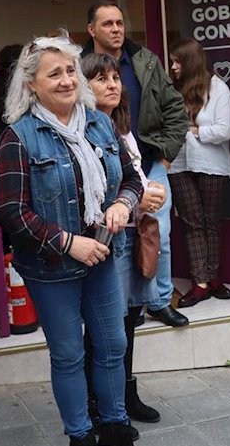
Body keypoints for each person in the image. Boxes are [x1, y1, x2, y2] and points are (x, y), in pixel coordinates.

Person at [0, 34, 143, 446]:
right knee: (68, 355)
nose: (66, 80)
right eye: (53, 73)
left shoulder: (99, 122)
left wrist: (122, 205)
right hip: (51, 268)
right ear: (31, 84)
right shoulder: (18, 137)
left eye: (70, 71)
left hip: (102, 256)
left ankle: (114, 424)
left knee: (112, 344)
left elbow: (130, 180)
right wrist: (66, 242)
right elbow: (12, 212)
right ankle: (80, 433)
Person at [83, 0, 189, 328]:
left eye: (119, 23)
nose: (116, 29)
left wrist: (167, 155)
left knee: (159, 233)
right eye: (107, 24)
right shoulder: (80, 65)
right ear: (92, 30)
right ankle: (130, 304)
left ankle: (158, 300)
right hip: (104, 168)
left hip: (149, 162)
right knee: (115, 239)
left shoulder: (144, 60)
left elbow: (174, 107)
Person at [81, 53, 163, 434]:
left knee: (130, 318)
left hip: (134, 232)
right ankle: (97, 403)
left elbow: (136, 179)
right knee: (105, 326)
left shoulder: (122, 127)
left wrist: (151, 193)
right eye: (102, 79)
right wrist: (134, 196)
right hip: (105, 239)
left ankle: (126, 394)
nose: (113, 84)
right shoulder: (81, 128)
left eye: (115, 77)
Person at [167, 38, 230, 307]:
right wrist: (187, 133)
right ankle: (201, 283)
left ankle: (213, 277)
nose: (172, 67)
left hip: (212, 166)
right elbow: (169, 127)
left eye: (176, 61)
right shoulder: (172, 91)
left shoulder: (218, 88)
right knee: (192, 222)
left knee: (211, 222)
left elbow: (225, 130)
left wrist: (196, 132)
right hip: (179, 165)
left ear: (191, 62)